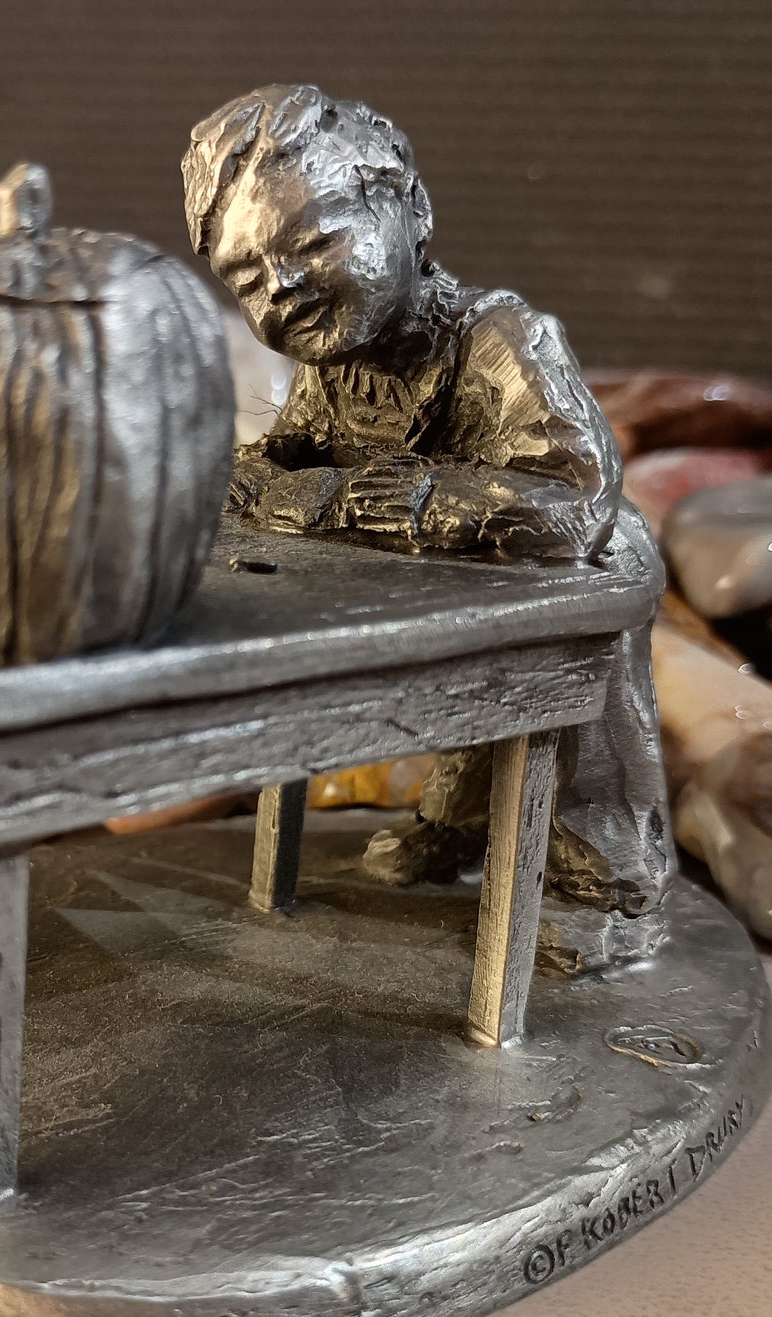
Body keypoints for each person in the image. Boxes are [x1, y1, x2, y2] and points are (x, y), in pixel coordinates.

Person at [183, 83, 675, 966]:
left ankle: (611, 887)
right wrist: (248, 483)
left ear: (407, 207)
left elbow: (577, 501)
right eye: (246, 279)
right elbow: (283, 460)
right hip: (462, 579)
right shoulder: (337, 363)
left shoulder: (501, 339)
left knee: (575, 740)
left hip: (573, 578)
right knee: (465, 715)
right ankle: (458, 825)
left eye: (314, 242)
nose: (282, 290)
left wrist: (375, 500)